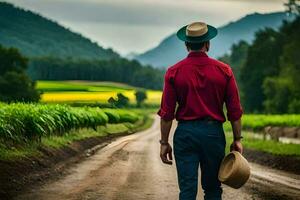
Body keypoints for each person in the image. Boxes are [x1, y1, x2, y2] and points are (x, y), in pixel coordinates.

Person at [157, 22, 243, 200]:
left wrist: (164, 142)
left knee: (187, 190)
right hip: (213, 135)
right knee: (212, 188)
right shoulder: (224, 71)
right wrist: (237, 139)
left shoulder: (173, 72)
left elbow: (167, 114)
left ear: (186, 44)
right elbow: (234, 111)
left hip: (185, 134)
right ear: (208, 44)